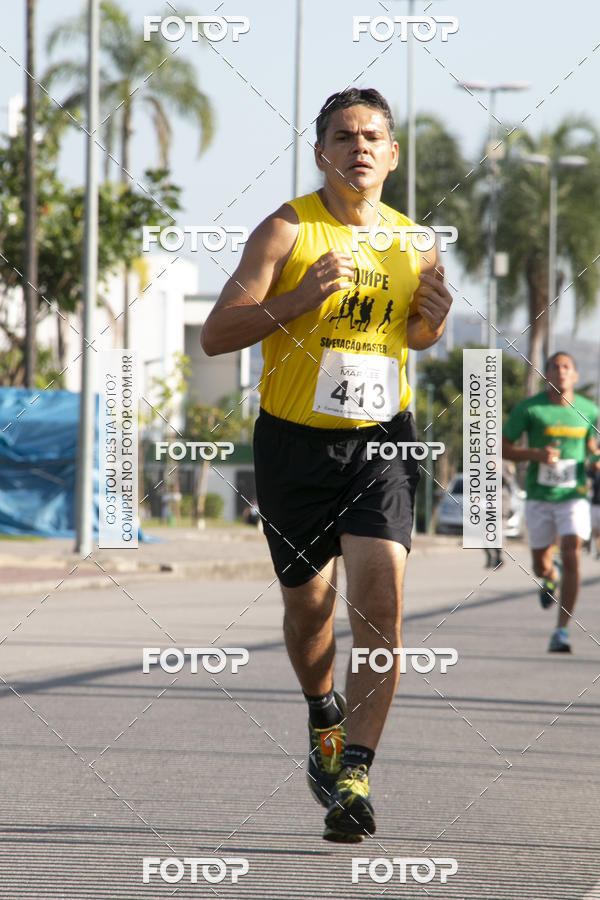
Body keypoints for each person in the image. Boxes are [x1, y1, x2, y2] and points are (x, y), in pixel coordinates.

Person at [201, 88, 452, 841]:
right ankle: (322, 715)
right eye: (343, 137)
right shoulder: (287, 229)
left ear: (393, 154)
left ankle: (354, 772)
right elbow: (216, 334)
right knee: (310, 611)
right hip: (294, 445)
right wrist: (301, 297)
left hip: (382, 444)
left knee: (381, 605)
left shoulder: (418, 243)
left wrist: (432, 323)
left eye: (373, 136)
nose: (359, 148)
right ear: (322, 154)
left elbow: (415, 337)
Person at [502, 352, 599, 653]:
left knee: (572, 551)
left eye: (566, 367)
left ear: (575, 376)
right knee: (541, 564)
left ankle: (561, 630)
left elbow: (593, 448)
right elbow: (504, 447)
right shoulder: (530, 409)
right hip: (539, 498)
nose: (560, 372)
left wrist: (596, 461)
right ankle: (550, 577)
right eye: (554, 367)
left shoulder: (588, 410)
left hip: (574, 497)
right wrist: (536, 455)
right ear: (546, 375)